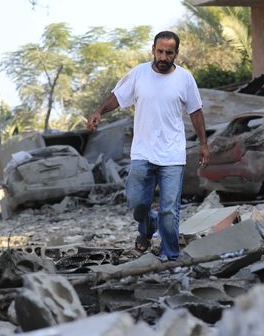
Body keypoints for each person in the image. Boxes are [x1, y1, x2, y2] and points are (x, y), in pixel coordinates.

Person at [87, 30, 210, 261]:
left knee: (169, 210)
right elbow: (118, 96)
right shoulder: (139, 74)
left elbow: (196, 111)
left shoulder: (185, 79)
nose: (163, 57)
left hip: (172, 154)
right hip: (143, 152)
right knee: (137, 202)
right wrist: (98, 111)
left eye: (169, 53)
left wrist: (203, 143)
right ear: (153, 50)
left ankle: (170, 255)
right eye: (160, 51)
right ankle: (148, 226)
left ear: (176, 54)